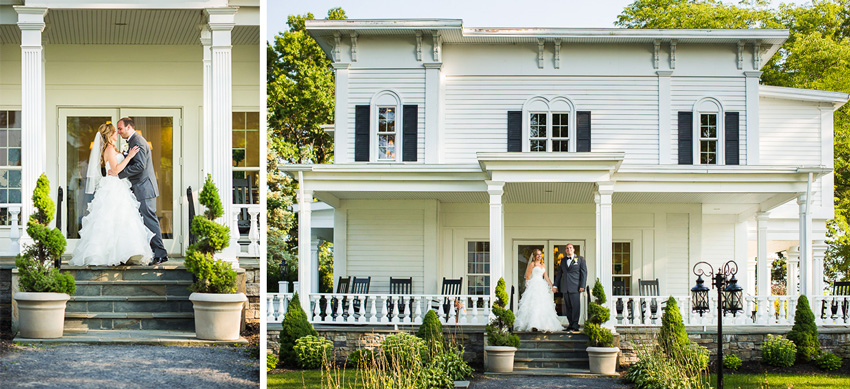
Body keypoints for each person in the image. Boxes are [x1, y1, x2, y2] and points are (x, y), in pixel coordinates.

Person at [69, 123, 152, 266]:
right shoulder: (108, 149)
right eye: (115, 132)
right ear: (109, 135)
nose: (117, 134)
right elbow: (116, 169)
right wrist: (130, 156)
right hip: (113, 186)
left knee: (122, 219)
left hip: (119, 185)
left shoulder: (112, 148)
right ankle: (109, 254)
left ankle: (125, 253)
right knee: (110, 219)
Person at [114, 117, 169, 265]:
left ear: (129, 127)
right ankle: (154, 252)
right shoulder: (133, 141)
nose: (118, 132)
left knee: (149, 220)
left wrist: (120, 174)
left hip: (144, 188)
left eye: (120, 129)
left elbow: (140, 166)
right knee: (145, 221)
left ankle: (161, 254)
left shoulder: (137, 141)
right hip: (140, 188)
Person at [514, 249, 563, 332]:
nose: (539, 256)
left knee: (542, 305)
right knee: (534, 305)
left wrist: (552, 286)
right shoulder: (532, 264)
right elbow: (527, 277)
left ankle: (544, 325)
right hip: (534, 285)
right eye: (537, 254)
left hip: (542, 285)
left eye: (540, 254)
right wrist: (528, 288)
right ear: (534, 256)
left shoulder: (543, 265)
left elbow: (546, 276)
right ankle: (533, 325)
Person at [553, 243, 587, 331]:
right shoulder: (563, 260)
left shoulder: (580, 259)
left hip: (575, 287)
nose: (569, 250)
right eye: (567, 248)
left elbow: (584, 273)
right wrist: (555, 285)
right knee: (567, 307)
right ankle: (570, 324)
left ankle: (575, 324)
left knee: (575, 306)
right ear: (565, 250)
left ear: (573, 249)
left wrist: (582, 285)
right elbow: (559, 273)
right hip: (565, 287)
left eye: (570, 248)